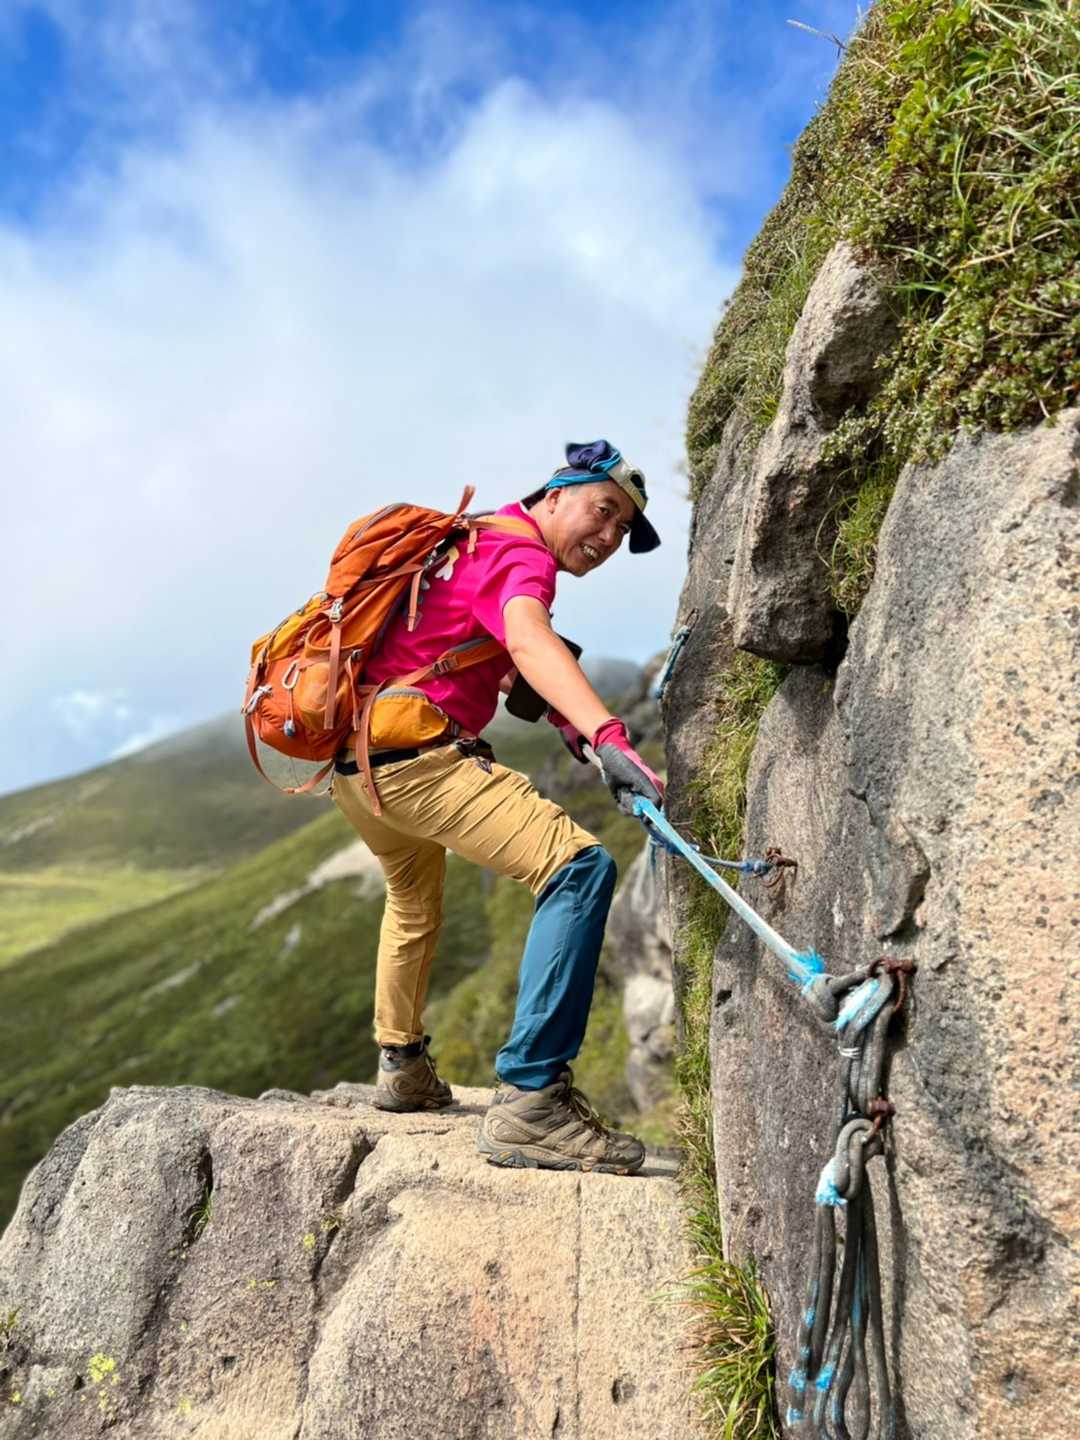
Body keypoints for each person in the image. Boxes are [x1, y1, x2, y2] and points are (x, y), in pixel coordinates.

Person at [330, 439, 665, 1175]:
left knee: (412, 904)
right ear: (555, 494)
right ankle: (533, 1102)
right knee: (578, 869)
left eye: (623, 529)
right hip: (416, 762)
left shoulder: (472, 537)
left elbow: (493, 653)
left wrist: (566, 723)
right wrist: (607, 736)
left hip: (356, 766)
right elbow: (527, 637)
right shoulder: (522, 556)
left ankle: (402, 1067)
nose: (609, 536)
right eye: (603, 510)